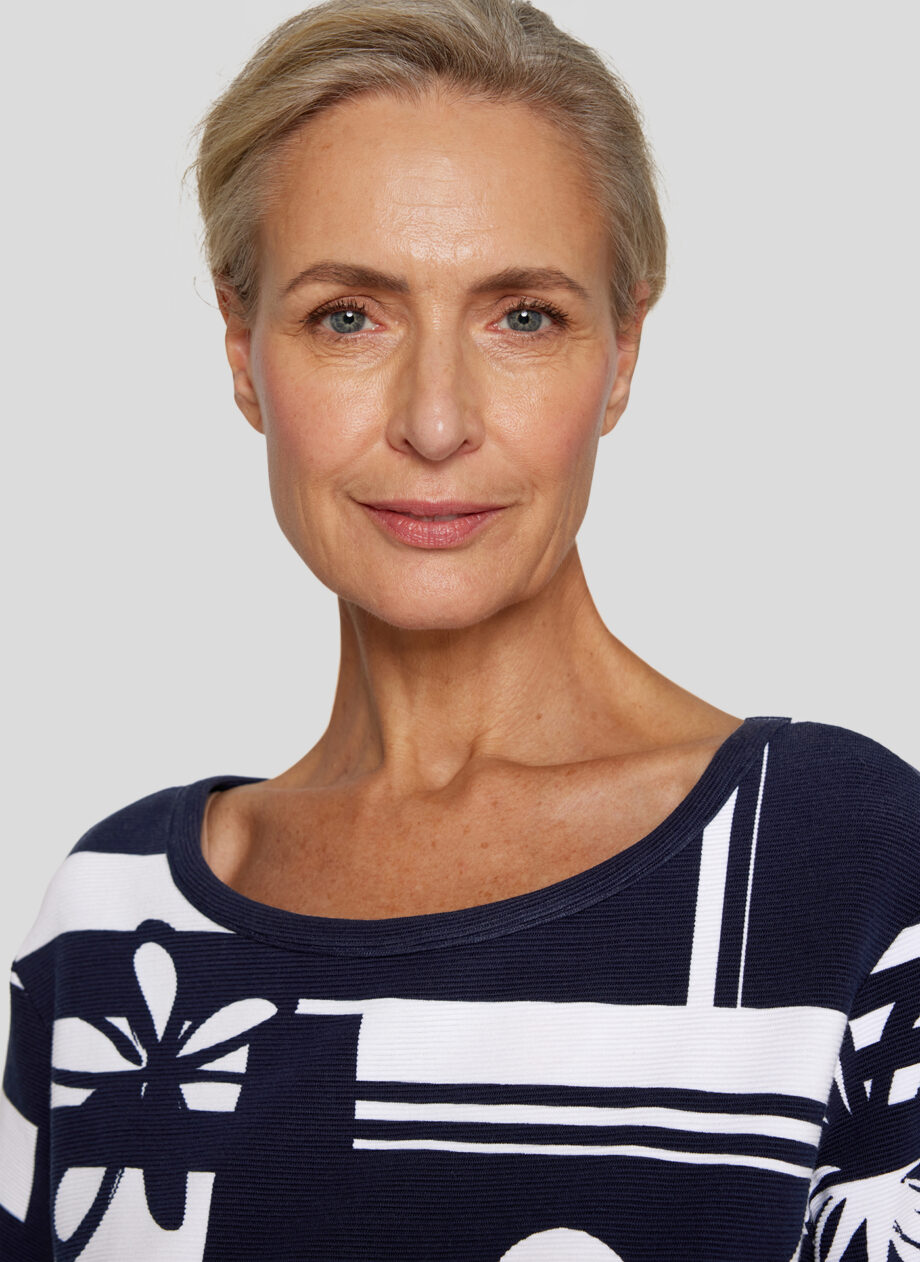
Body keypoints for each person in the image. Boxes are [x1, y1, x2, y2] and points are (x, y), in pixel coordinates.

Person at [1, 0, 918, 1257]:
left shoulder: (842, 866)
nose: (435, 421)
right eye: (348, 315)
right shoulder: (111, 920)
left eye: (522, 316)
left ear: (622, 352)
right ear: (241, 350)